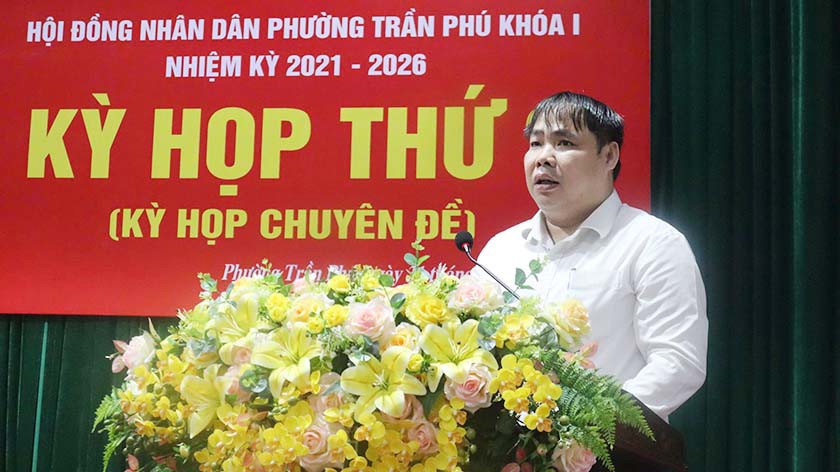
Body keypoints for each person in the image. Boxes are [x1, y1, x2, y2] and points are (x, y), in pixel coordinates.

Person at [477, 92, 708, 420]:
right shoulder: (501, 250)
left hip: (607, 445)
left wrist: (593, 424)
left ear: (609, 155)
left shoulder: (652, 243)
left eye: (564, 143)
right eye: (536, 143)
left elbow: (678, 363)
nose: (543, 158)